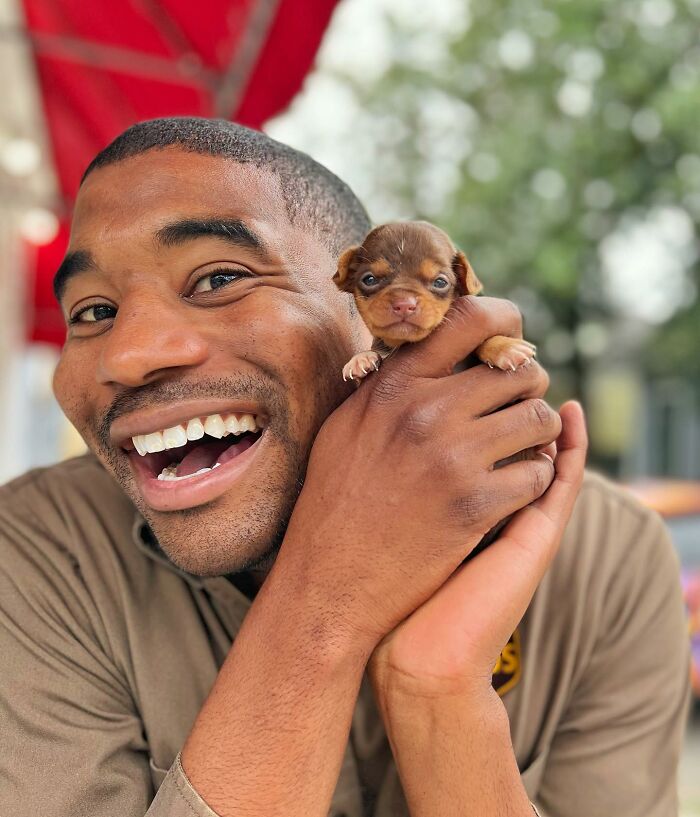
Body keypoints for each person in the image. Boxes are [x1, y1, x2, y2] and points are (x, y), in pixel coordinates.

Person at [0, 118, 688, 817]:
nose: (129, 353)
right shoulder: (35, 556)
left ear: (372, 320)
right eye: (92, 311)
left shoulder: (609, 561)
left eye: (218, 277)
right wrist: (327, 598)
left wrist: (439, 690)